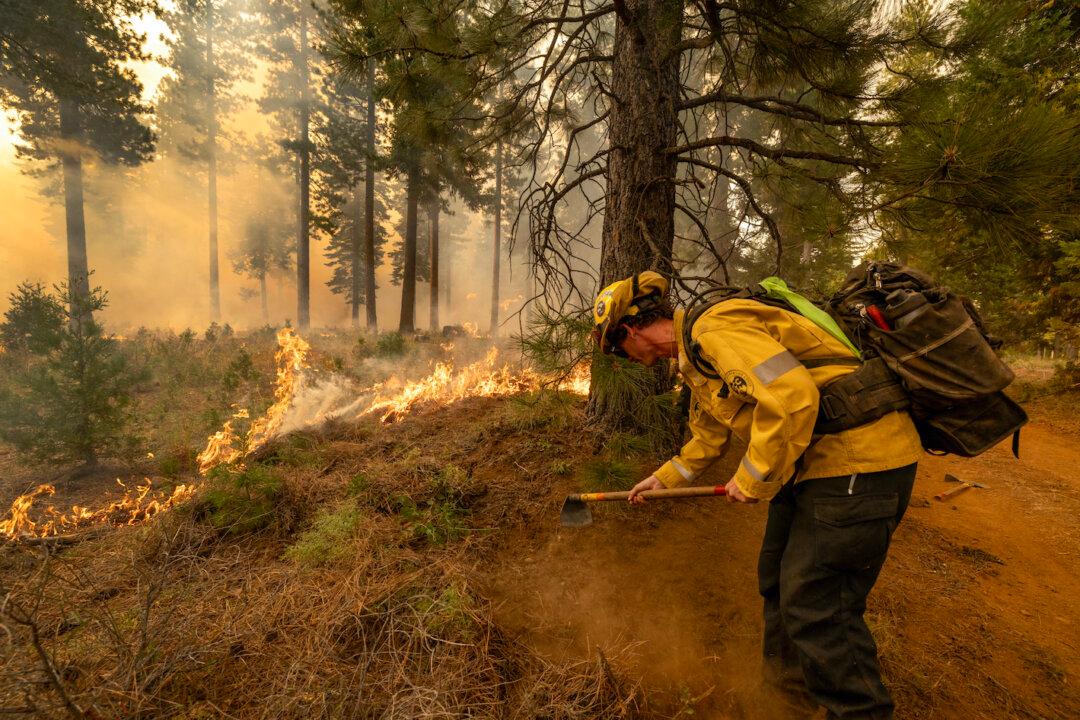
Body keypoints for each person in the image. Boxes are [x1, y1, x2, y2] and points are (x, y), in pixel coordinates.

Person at [592, 271, 924, 720]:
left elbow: (793, 398)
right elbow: (710, 434)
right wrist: (665, 479)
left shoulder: (716, 329)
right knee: (778, 582)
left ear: (629, 330)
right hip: (815, 470)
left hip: (858, 465)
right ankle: (786, 706)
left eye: (616, 350)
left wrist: (751, 479)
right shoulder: (696, 353)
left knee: (818, 606)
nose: (624, 359)